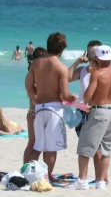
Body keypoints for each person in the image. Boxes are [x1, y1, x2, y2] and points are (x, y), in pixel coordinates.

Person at [74, 46, 111, 190]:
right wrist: (109, 100)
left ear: (97, 58)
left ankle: (82, 181)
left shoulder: (97, 74)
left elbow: (87, 96)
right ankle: (101, 182)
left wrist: (98, 101)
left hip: (99, 112)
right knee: (106, 149)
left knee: (86, 147)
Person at [24, 33, 76, 177]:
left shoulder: (35, 63)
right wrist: (73, 98)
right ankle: (46, 178)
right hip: (55, 109)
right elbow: (65, 95)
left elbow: (29, 86)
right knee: (51, 148)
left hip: (39, 108)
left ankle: (28, 175)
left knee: (36, 145)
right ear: (62, 49)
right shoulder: (61, 67)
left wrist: (35, 99)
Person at [22, 47, 48, 164]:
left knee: (34, 143)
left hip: (33, 112)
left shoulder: (32, 73)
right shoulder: (35, 75)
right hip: (35, 113)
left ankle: (29, 169)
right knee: (34, 144)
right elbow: (35, 95)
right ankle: (28, 169)